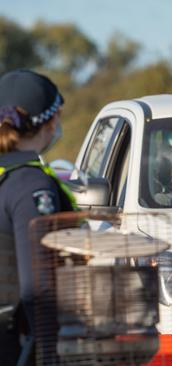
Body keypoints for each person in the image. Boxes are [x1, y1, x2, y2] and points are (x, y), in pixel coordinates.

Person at [0, 69, 76, 365]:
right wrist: (50, 354)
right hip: (15, 343)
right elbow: (38, 287)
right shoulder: (31, 185)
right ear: (52, 119)